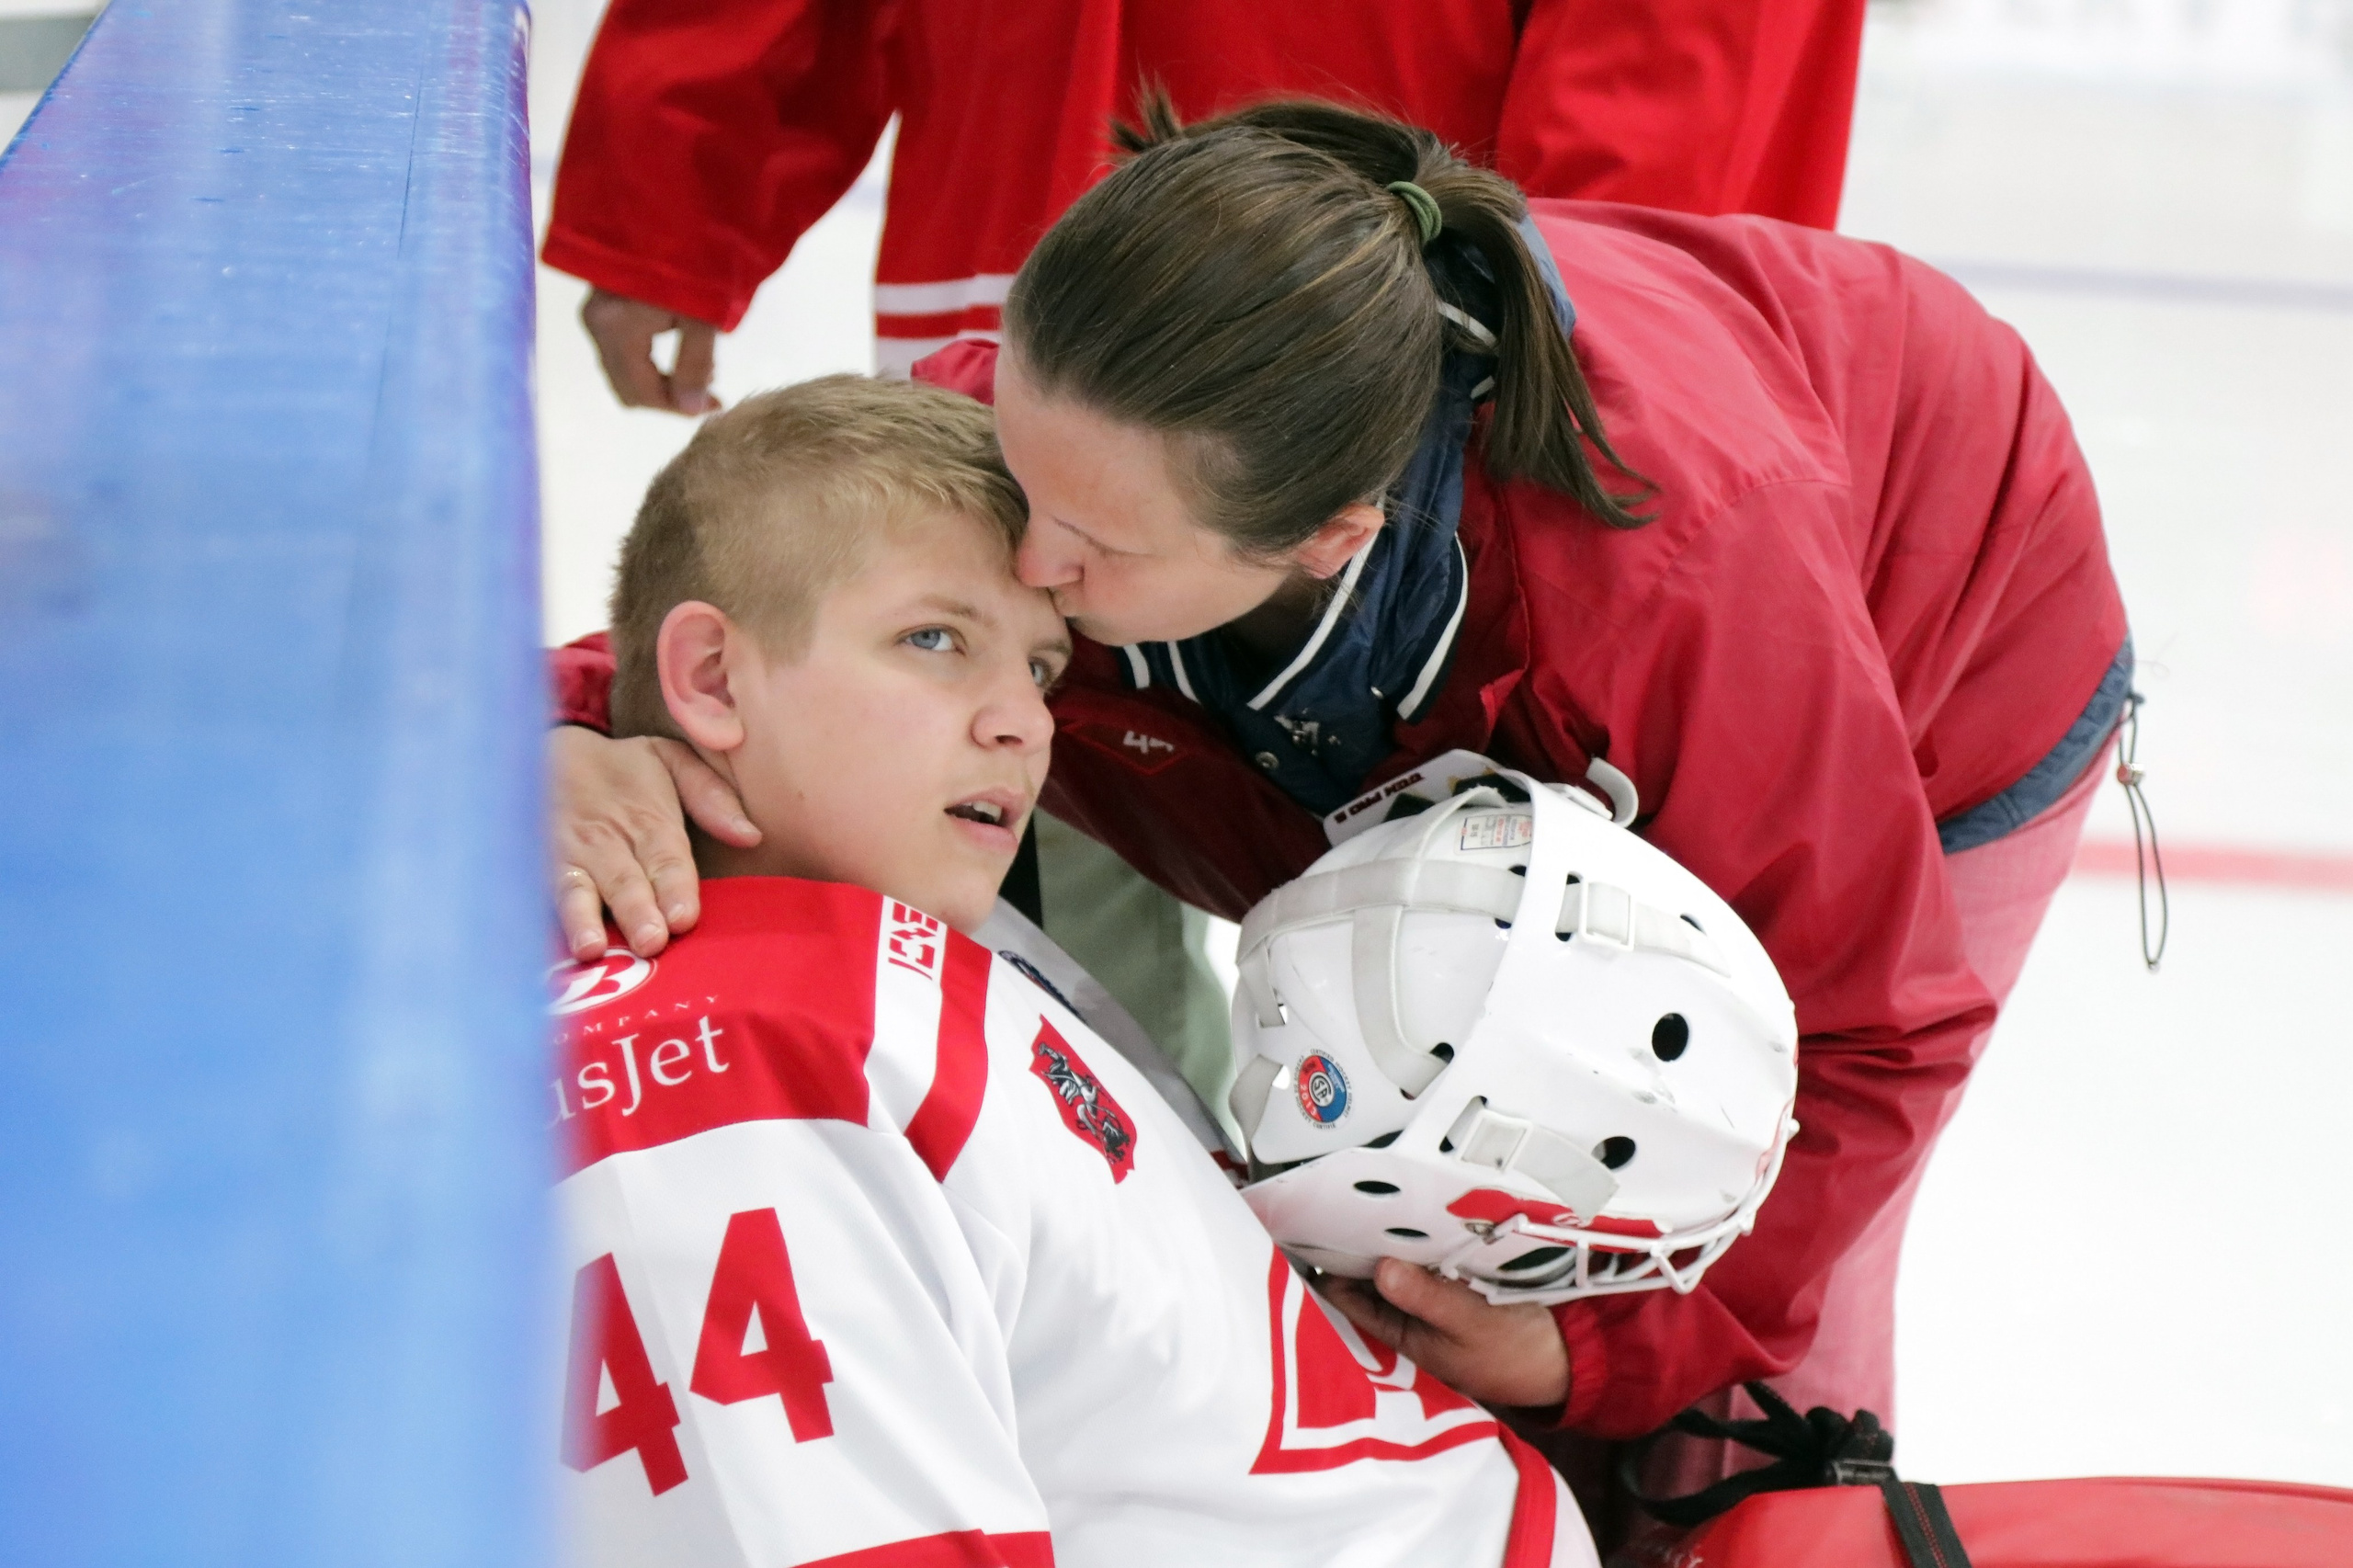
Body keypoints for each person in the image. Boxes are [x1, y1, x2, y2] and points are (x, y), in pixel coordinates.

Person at [546, 98, 2130, 1498]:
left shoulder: (1685, 587)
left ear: (1323, 535)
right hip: (1535, 671)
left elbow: (1864, 1040)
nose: (1028, 571)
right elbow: (755, 614)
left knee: (1730, 1360)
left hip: (1943, 653)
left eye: (1089, 554)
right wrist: (556, 737)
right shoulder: (1093, 422)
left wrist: (1593, 1351)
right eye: (1024, 483)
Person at [551, 371, 1595, 1566]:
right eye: (935, 639)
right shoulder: (735, 1067)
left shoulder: (911, 928)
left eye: (1042, 669)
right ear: (715, 680)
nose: (1024, 721)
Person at [546, 0, 1870, 401]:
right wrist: (681, 174)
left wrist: (1574, 340)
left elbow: (1687, 60)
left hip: (1415, 345)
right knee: (1043, 887)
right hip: (1024, 298)